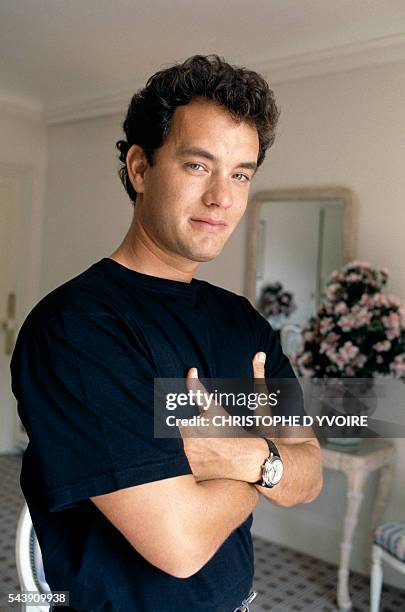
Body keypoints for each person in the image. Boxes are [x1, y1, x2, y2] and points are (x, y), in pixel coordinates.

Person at [10, 55, 322, 612]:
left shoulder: (244, 322)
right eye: (199, 166)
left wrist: (240, 456)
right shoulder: (77, 328)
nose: (223, 198)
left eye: (241, 173)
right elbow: (181, 546)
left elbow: (311, 473)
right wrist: (267, 457)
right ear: (139, 168)